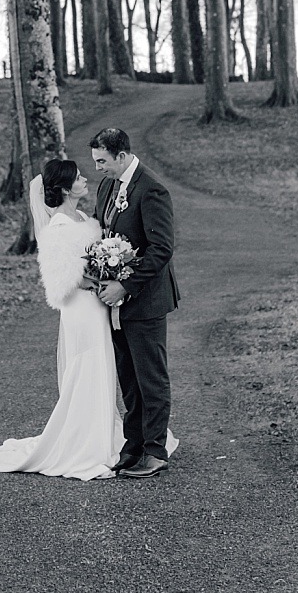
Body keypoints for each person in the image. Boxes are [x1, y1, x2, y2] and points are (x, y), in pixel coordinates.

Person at [0, 158, 124, 481]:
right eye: (79, 177)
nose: (85, 179)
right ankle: (85, 445)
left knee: (102, 366)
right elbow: (64, 279)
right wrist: (101, 280)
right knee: (86, 367)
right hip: (81, 310)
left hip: (96, 307)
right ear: (68, 188)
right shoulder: (57, 227)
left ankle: (101, 435)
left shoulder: (84, 218)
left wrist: (111, 268)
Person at [91, 124, 180, 477]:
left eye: (103, 161)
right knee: (128, 378)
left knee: (151, 378)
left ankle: (155, 451)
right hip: (114, 302)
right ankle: (134, 447)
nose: (98, 168)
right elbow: (105, 233)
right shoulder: (109, 185)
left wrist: (125, 287)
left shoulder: (152, 189)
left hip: (144, 301)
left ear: (122, 155)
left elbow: (161, 250)